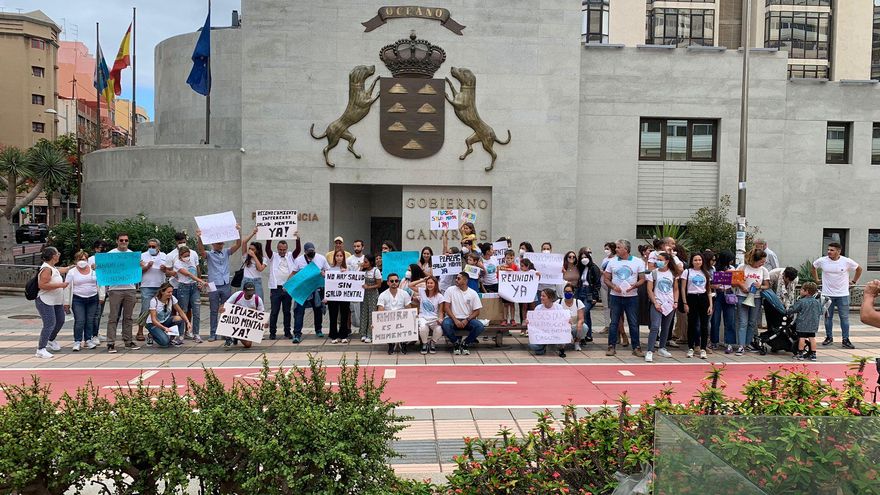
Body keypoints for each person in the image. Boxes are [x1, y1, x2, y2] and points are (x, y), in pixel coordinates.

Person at [196, 225, 244, 342]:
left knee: (226, 309)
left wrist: (238, 232)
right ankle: (213, 333)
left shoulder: (226, 252)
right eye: (218, 244)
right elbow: (201, 251)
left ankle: (225, 332)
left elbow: (238, 245)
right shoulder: (209, 254)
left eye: (222, 243)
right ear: (213, 244)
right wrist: (200, 238)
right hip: (213, 284)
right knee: (213, 310)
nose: (221, 245)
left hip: (225, 283)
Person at [811, 242, 861, 349]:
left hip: (842, 294)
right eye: (828, 250)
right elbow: (813, 266)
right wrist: (816, 279)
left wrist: (853, 281)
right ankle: (829, 337)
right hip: (827, 294)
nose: (829, 252)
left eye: (832, 250)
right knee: (828, 317)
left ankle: (845, 339)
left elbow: (859, 269)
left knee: (844, 318)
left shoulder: (846, 261)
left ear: (839, 251)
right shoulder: (823, 260)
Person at [603, 239, 645, 356]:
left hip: (632, 297)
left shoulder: (637, 262)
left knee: (633, 322)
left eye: (618, 247)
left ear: (626, 249)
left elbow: (642, 278)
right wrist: (612, 286)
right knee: (614, 322)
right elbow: (606, 278)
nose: (616, 249)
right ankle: (611, 346)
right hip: (615, 296)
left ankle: (636, 347)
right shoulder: (612, 262)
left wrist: (634, 285)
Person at [106, 233, 141, 353]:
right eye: (121, 240)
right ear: (117, 241)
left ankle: (128, 340)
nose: (124, 242)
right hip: (115, 289)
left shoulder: (132, 255)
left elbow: (137, 270)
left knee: (128, 317)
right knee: (113, 316)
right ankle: (111, 342)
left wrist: (140, 266)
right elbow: (104, 269)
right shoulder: (111, 254)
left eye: (126, 240)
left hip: (130, 288)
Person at [34, 247, 71, 358]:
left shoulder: (51, 267)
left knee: (60, 320)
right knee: (49, 324)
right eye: (58, 253)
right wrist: (61, 285)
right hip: (45, 301)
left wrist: (70, 268)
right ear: (53, 256)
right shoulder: (46, 269)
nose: (59, 255)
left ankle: (51, 339)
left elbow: (58, 271)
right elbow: (42, 285)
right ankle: (41, 349)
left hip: (55, 301)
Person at [291, 242, 331, 343]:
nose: (311, 253)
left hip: (316, 289)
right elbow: (294, 273)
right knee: (299, 311)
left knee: (318, 309)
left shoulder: (321, 258)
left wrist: (324, 273)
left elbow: (329, 272)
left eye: (312, 251)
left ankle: (318, 329)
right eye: (309, 252)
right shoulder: (299, 260)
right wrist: (288, 285)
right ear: (305, 252)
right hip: (303, 290)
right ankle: (297, 333)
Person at [63, 250, 102, 351]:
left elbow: (100, 282)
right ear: (76, 260)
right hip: (78, 299)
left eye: (84, 259)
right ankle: (77, 341)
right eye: (80, 259)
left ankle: (88, 340)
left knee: (90, 320)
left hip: (93, 298)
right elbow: (67, 287)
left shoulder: (93, 270)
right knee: (80, 320)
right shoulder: (72, 272)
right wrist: (66, 302)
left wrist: (101, 296)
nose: (82, 261)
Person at [734, 248, 770, 356]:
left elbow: (767, 285)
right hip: (742, 296)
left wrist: (761, 286)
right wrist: (742, 287)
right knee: (743, 322)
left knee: (752, 322)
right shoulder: (742, 267)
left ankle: (748, 343)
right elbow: (735, 280)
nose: (763, 263)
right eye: (761, 261)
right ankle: (741, 345)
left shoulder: (763, 270)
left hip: (756, 297)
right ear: (755, 259)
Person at [645, 251, 679, 363]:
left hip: (669, 303)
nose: (658, 262)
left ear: (667, 261)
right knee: (655, 326)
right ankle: (649, 351)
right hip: (657, 302)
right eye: (657, 260)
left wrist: (675, 301)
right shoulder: (653, 273)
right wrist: (655, 302)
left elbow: (675, 289)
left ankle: (662, 347)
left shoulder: (673, 274)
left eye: (660, 260)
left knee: (666, 327)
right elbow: (649, 289)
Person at [441, 271, 484, 355]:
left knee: (480, 326)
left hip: (467, 319)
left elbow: (477, 311)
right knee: (445, 324)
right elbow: (446, 307)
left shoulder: (473, 293)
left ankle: (465, 343)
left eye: (458, 278)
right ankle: (456, 343)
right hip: (453, 318)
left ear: (465, 280)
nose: (456, 280)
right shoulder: (450, 290)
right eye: (456, 278)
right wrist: (455, 320)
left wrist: (467, 320)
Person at [265, 238, 300, 339]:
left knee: (287, 311)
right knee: (274, 311)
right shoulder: (273, 256)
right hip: (276, 288)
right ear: (277, 249)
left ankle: (287, 332)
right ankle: (272, 333)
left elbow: (297, 250)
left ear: (287, 249)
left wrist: (298, 239)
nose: (282, 251)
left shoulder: (290, 256)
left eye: (284, 249)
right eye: (280, 249)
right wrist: (269, 239)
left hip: (287, 288)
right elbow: (267, 249)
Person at [171, 246, 206, 344]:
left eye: (188, 255)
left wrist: (198, 282)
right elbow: (188, 274)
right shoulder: (177, 263)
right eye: (185, 256)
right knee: (183, 311)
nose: (187, 257)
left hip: (194, 287)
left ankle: (196, 333)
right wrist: (201, 281)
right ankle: (181, 334)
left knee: (197, 311)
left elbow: (196, 270)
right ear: (180, 256)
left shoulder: (192, 260)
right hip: (183, 287)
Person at [682, 252, 713, 359]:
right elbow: (683, 288)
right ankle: (691, 347)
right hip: (691, 298)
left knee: (704, 325)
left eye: (699, 260)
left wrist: (710, 305)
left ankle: (703, 348)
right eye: (695, 260)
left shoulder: (706, 273)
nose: (697, 262)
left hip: (703, 298)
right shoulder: (687, 272)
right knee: (692, 324)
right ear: (692, 261)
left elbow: (709, 290)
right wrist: (685, 302)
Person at [218, 281, 265, 348]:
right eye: (248, 293)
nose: (250, 296)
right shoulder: (237, 295)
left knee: (248, 344)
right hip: (235, 321)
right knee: (225, 313)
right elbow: (225, 305)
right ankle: (229, 336)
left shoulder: (257, 300)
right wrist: (222, 308)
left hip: (247, 324)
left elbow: (262, 315)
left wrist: (263, 322)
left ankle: (236, 336)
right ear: (243, 291)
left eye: (251, 294)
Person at [137, 239, 167, 342]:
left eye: (153, 247)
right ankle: (140, 331)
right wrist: (147, 267)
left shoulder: (164, 256)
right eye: (149, 246)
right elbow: (138, 271)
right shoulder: (142, 256)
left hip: (160, 285)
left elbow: (168, 270)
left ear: (158, 247)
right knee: (145, 309)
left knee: (159, 309)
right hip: (147, 285)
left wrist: (164, 269)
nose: (151, 248)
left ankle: (155, 331)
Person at [377, 272, 414, 354]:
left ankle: (403, 342)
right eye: (392, 281)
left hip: (402, 319)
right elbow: (380, 310)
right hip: (388, 320)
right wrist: (377, 323)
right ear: (387, 282)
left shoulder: (404, 293)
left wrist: (412, 319)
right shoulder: (382, 295)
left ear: (398, 282)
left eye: (396, 281)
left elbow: (409, 309)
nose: (394, 283)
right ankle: (391, 343)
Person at [145, 282, 191, 348]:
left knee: (179, 318)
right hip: (153, 324)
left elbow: (180, 311)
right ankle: (151, 335)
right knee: (164, 343)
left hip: (164, 321)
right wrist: (164, 328)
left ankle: (173, 338)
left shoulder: (172, 298)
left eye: (171, 292)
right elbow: (153, 320)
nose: (170, 294)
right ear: (162, 292)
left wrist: (187, 322)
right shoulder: (154, 301)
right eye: (168, 292)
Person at [784, 282, 821, 361]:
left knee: (802, 338)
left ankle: (800, 354)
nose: (800, 291)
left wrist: (787, 310)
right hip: (813, 324)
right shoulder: (817, 302)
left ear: (806, 291)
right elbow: (820, 311)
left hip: (802, 323)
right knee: (812, 338)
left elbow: (793, 309)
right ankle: (813, 354)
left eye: (802, 290)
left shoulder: (801, 301)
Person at [526, 287, 567, 357]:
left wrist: (568, 320)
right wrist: (529, 321)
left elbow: (564, 320)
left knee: (563, 337)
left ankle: (560, 348)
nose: (541, 297)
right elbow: (534, 323)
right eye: (541, 296)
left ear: (550, 297)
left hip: (555, 333)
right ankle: (544, 347)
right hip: (542, 335)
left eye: (543, 296)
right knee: (532, 345)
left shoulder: (558, 307)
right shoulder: (538, 308)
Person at [712, 250, 738, 354]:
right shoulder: (715, 268)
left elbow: (736, 283)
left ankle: (730, 343)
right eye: (730, 259)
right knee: (715, 319)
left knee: (730, 319)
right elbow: (712, 281)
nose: (731, 261)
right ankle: (714, 341)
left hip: (729, 293)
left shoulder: (732, 268)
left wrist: (731, 276)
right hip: (717, 294)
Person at [325, 249, 351, 344]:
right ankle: (333, 335)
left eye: (341, 256)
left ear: (344, 257)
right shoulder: (330, 269)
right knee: (333, 316)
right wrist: (326, 296)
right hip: (333, 296)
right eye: (337, 256)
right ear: (334, 257)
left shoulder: (347, 269)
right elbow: (327, 284)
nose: (339, 258)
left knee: (344, 315)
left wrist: (347, 273)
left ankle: (343, 335)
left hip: (344, 296)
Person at [575, 248, 601, 343]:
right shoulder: (580, 268)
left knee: (584, 311)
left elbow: (597, 283)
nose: (584, 259)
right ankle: (587, 335)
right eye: (582, 257)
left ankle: (585, 334)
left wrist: (595, 297)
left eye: (586, 257)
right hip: (580, 291)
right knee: (585, 314)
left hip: (589, 292)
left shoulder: (594, 268)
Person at [416, 275, 444, 354]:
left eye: (431, 283)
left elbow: (441, 311)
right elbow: (410, 285)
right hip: (423, 317)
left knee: (439, 329)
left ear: (435, 284)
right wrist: (422, 280)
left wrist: (440, 319)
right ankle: (424, 344)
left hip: (434, 318)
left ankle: (432, 343)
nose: (429, 285)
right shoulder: (422, 291)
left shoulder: (440, 296)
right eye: (428, 283)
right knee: (423, 328)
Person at [359, 254, 382, 343]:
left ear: (371, 262)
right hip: (364, 295)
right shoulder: (363, 271)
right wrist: (360, 269)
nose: (363, 263)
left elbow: (379, 284)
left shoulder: (376, 271)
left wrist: (368, 287)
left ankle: (370, 334)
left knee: (372, 314)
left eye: (365, 262)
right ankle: (363, 333)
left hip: (373, 295)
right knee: (364, 313)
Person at [347, 239, 366, 328]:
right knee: (353, 309)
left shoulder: (366, 259)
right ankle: (350, 328)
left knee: (363, 309)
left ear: (363, 247)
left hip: (364, 288)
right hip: (353, 289)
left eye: (358, 246)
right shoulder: (349, 259)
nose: (356, 248)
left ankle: (363, 328)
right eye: (354, 246)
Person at [561, 283, 586, 351]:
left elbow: (581, 318)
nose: (567, 293)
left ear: (573, 292)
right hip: (562, 327)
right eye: (565, 292)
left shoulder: (578, 302)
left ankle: (577, 342)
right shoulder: (559, 302)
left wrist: (579, 324)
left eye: (569, 292)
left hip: (574, 325)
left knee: (584, 327)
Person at [497, 249, 518, 326]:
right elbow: (498, 277)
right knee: (505, 305)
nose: (509, 260)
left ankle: (512, 319)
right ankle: (505, 319)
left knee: (512, 304)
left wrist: (511, 270)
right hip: (505, 288)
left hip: (512, 288)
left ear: (514, 258)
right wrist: (501, 269)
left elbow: (518, 276)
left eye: (511, 258)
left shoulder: (515, 267)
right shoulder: (501, 267)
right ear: (505, 258)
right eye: (508, 258)